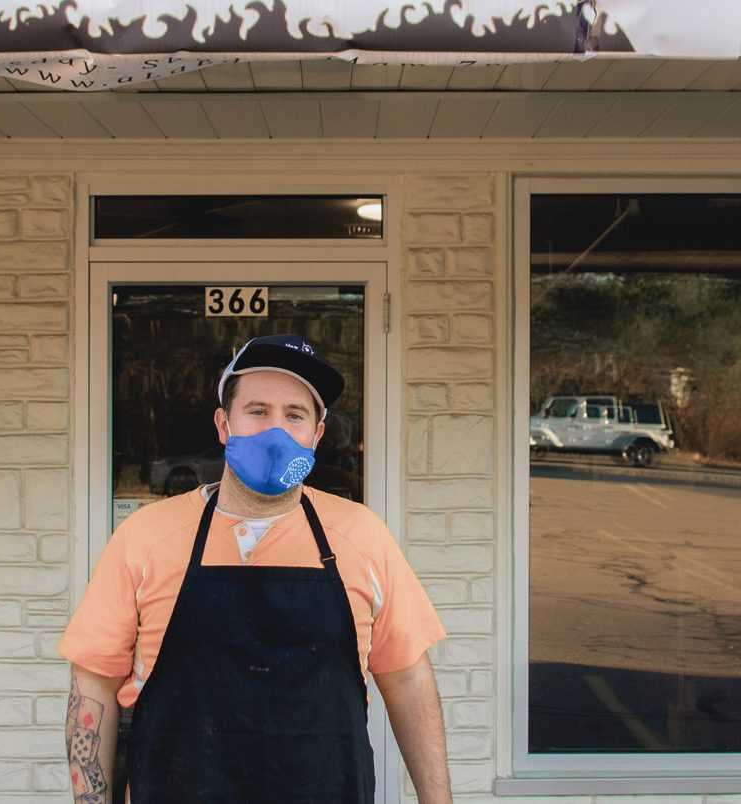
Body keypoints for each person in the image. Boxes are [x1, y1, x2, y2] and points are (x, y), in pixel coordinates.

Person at [59, 334, 452, 803]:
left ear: (316, 435)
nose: (276, 432)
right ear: (224, 425)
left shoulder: (362, 538)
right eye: (258, 411)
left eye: (295, 415)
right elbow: (93, 682)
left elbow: (408, 679)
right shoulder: (145, 537)